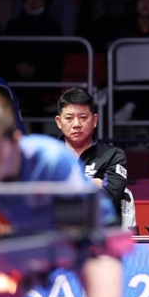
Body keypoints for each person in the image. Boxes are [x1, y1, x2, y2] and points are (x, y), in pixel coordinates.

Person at [0, 102, 138, 297]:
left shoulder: (52, 158)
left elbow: (77, 219)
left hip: (91, 233)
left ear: (16, 141)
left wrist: (36, 259)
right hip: (32, 239)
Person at [55, 88, 128, 226]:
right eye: (69, 118)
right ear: (59, 122)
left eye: (83, 117)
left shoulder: (113, 155)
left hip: (99, 235)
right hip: (57, 236)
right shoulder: (49, 156)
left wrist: (62, 187)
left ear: (94, 120)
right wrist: (91, 184)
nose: (76, 124)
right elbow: (38, 199)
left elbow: (110, 197)